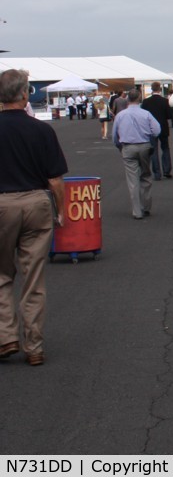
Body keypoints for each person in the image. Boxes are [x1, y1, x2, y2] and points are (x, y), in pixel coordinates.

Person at [0, 69, 68, 367]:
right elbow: (55, 179)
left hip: (2, 204)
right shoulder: (42, 131)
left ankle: (6, 337)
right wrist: (61, 209)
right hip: (36, 201)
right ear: (26, 94)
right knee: (33, 279)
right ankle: (35, 346)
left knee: (2, 276)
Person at [111, 89, 161, 219]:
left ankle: (137, 211)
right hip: (144, 145)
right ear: (140, 99)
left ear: (127, 99)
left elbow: (114, 136)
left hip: (128, 146)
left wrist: (119, 146)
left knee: (132, 180)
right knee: (145, 175)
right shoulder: (146, 114)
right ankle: (147, 206)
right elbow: (157, 130)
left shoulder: (120, 115)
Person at [141, 82, 172, 180]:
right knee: (165, 148)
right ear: (160, 89)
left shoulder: (146, 102)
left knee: (154, 150)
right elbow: (170, 115)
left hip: (150, 128)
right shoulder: (165, 101)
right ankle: (167, 170)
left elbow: (143, 115)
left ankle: (157, 173)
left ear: (151, 89)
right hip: (163, 127)